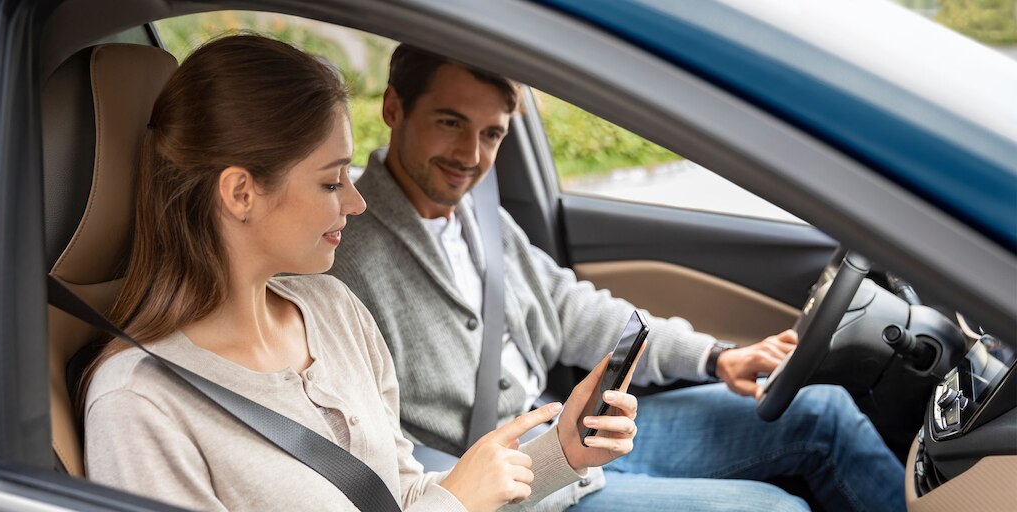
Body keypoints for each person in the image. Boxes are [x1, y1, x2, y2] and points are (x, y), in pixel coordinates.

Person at [330, 44, 906, 512]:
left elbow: (569, 308)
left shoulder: (479, 214)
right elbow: (380, 455)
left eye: (492, 134)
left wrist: (716, 357)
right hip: (517, 487)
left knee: (823, 413)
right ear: (394, 108)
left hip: (576, 429)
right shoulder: (344, 256)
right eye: (450, 123)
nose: (471, 155)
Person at [82, 35, 640, 512]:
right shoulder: (138, 405)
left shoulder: (333, 310)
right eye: (331, 182)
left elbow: (400, 495)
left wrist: (561, 454)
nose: (356, 202)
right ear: (240, 192)